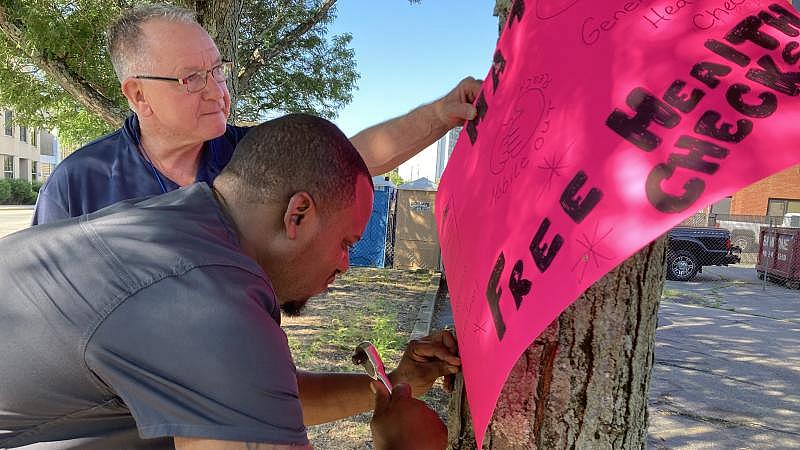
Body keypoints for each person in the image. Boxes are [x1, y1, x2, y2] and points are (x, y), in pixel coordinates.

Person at [0, 114, 457, 450]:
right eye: (345, 242)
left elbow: (261, 395)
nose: (346, 265)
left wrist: (393, 385)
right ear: (297, 214)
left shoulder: (188, 229)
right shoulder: (205, 298)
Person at [32, 3, 481, 225]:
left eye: (217, 70)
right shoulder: (79, 185)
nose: (216, 93)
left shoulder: (251, 154)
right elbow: (43, 308)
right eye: (192, 78)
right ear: (138, 95)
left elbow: (350, 154)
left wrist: (442, 113)